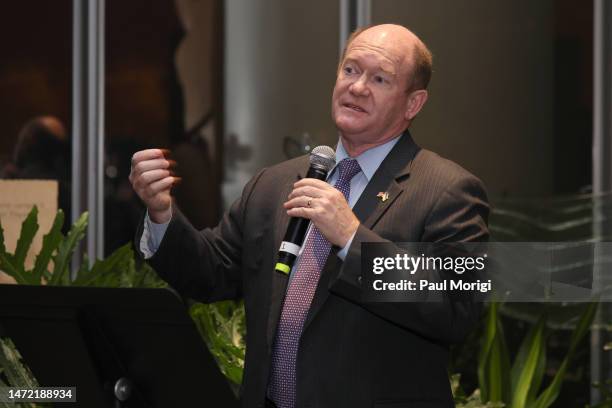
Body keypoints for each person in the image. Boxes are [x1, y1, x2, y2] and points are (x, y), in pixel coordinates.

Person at [130, 24, 489, 408]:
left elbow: (458, 310)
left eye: (380, 79)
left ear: (413, 104)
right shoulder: (275, 183)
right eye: (350, 70)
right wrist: (162, 212)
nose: (357, 87)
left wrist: (353, 239)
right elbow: (211, 273)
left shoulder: (448, 191)